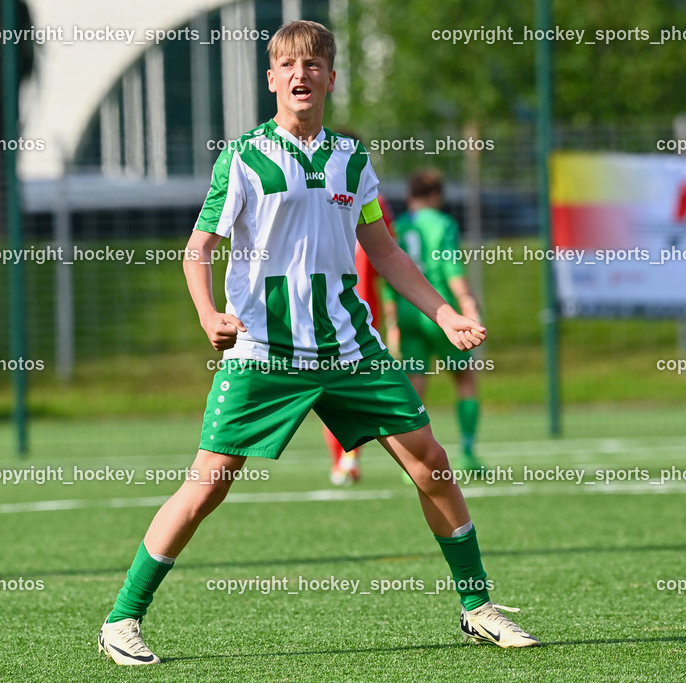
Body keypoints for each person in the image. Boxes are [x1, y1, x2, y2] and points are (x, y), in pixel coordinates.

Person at [97, 20, 538, 666]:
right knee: (209, 481)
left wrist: (443, 313)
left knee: (432, 462)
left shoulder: (353, 162)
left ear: (331, 77)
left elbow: (382, 248)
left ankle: (477, 606)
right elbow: (198, 251)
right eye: (287, 66)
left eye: (313, 64)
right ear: (271, 79)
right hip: (264, 351)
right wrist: (206, 314)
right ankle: (121, 619)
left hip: (350, 349)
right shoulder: (243, 156)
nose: (300, 75)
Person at [386, 169, 485, 472]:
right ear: (437, 196)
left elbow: (386, 273)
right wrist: (468, 303)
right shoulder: (443, 224)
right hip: (439, 311)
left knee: (415, 386)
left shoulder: (397, 226)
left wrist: (391, 320)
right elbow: (451, 269)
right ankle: (467, 453)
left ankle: (411, 464)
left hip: (406, 312)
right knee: (465, 378)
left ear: (409, 196)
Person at [325, 188, 395, 486]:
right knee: (354, 388)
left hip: (330, 313)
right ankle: (347, 458)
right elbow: (388, 254)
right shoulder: (371, 199)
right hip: (360, 312)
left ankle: (344, 459)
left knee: (335, 389)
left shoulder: (314, 191)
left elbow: (387, 254)